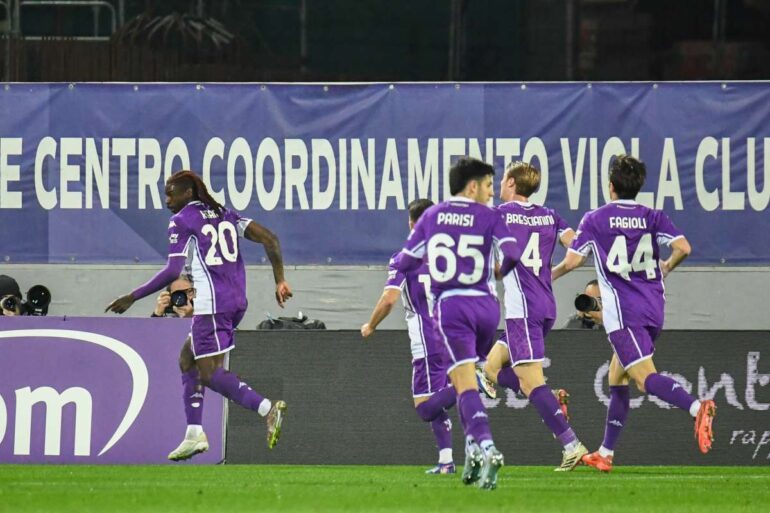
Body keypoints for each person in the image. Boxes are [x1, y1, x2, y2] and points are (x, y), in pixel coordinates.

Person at [106, 170, 293, 461]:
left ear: (188, 193)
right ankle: (194, 433)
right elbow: (270, 238)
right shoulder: (225, 213)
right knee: (187, 358)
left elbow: (172, 271)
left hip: (211, 306)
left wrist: (133, 296)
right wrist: (279, 280)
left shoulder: (182, 220)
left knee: (208, 373)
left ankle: (267, 409)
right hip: (235, 302)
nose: (167, 200)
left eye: (171, 194)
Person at [551, 154, 716, 472]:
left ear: (610, 186)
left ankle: (698, 408)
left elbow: (573, 261)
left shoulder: (595, 219)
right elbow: (684, 247)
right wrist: (667, 266)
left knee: (644, 380)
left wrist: (548, 277)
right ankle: (605, 453)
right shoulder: (652, 216)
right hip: (653, 308)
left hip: (624, 315)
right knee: (617, 376)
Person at [392, 157, 521, 490]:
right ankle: (472, 453)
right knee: (465, 381)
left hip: (453, 308)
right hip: (487, 308)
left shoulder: (433, 216)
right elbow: (513, 254)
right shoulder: (490, 216)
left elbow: (405, 260)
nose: (492, 192)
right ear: (472, 186)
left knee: (464, 384)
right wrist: (498, 273)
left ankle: (487, 447)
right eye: (489, 185)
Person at [481, 161, 587, 471]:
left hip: (523, 311)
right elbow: (577, 254)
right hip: (546, 306)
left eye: (503, 179)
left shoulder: (499, 215)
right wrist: (554, 273)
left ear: (511, 183)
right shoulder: (550, 216)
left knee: (529, 384)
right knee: (490, 367)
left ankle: (571, 445)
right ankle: (549, 397)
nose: (500, 185)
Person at [361, 198, 458, 475]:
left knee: (425, 406)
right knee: (437, 402)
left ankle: (472, 384)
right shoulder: (450, 256)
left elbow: (389, 299)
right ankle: (446, 461)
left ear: (411, 223)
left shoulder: (404, 258)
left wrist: (371, 325)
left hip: (428, 341)